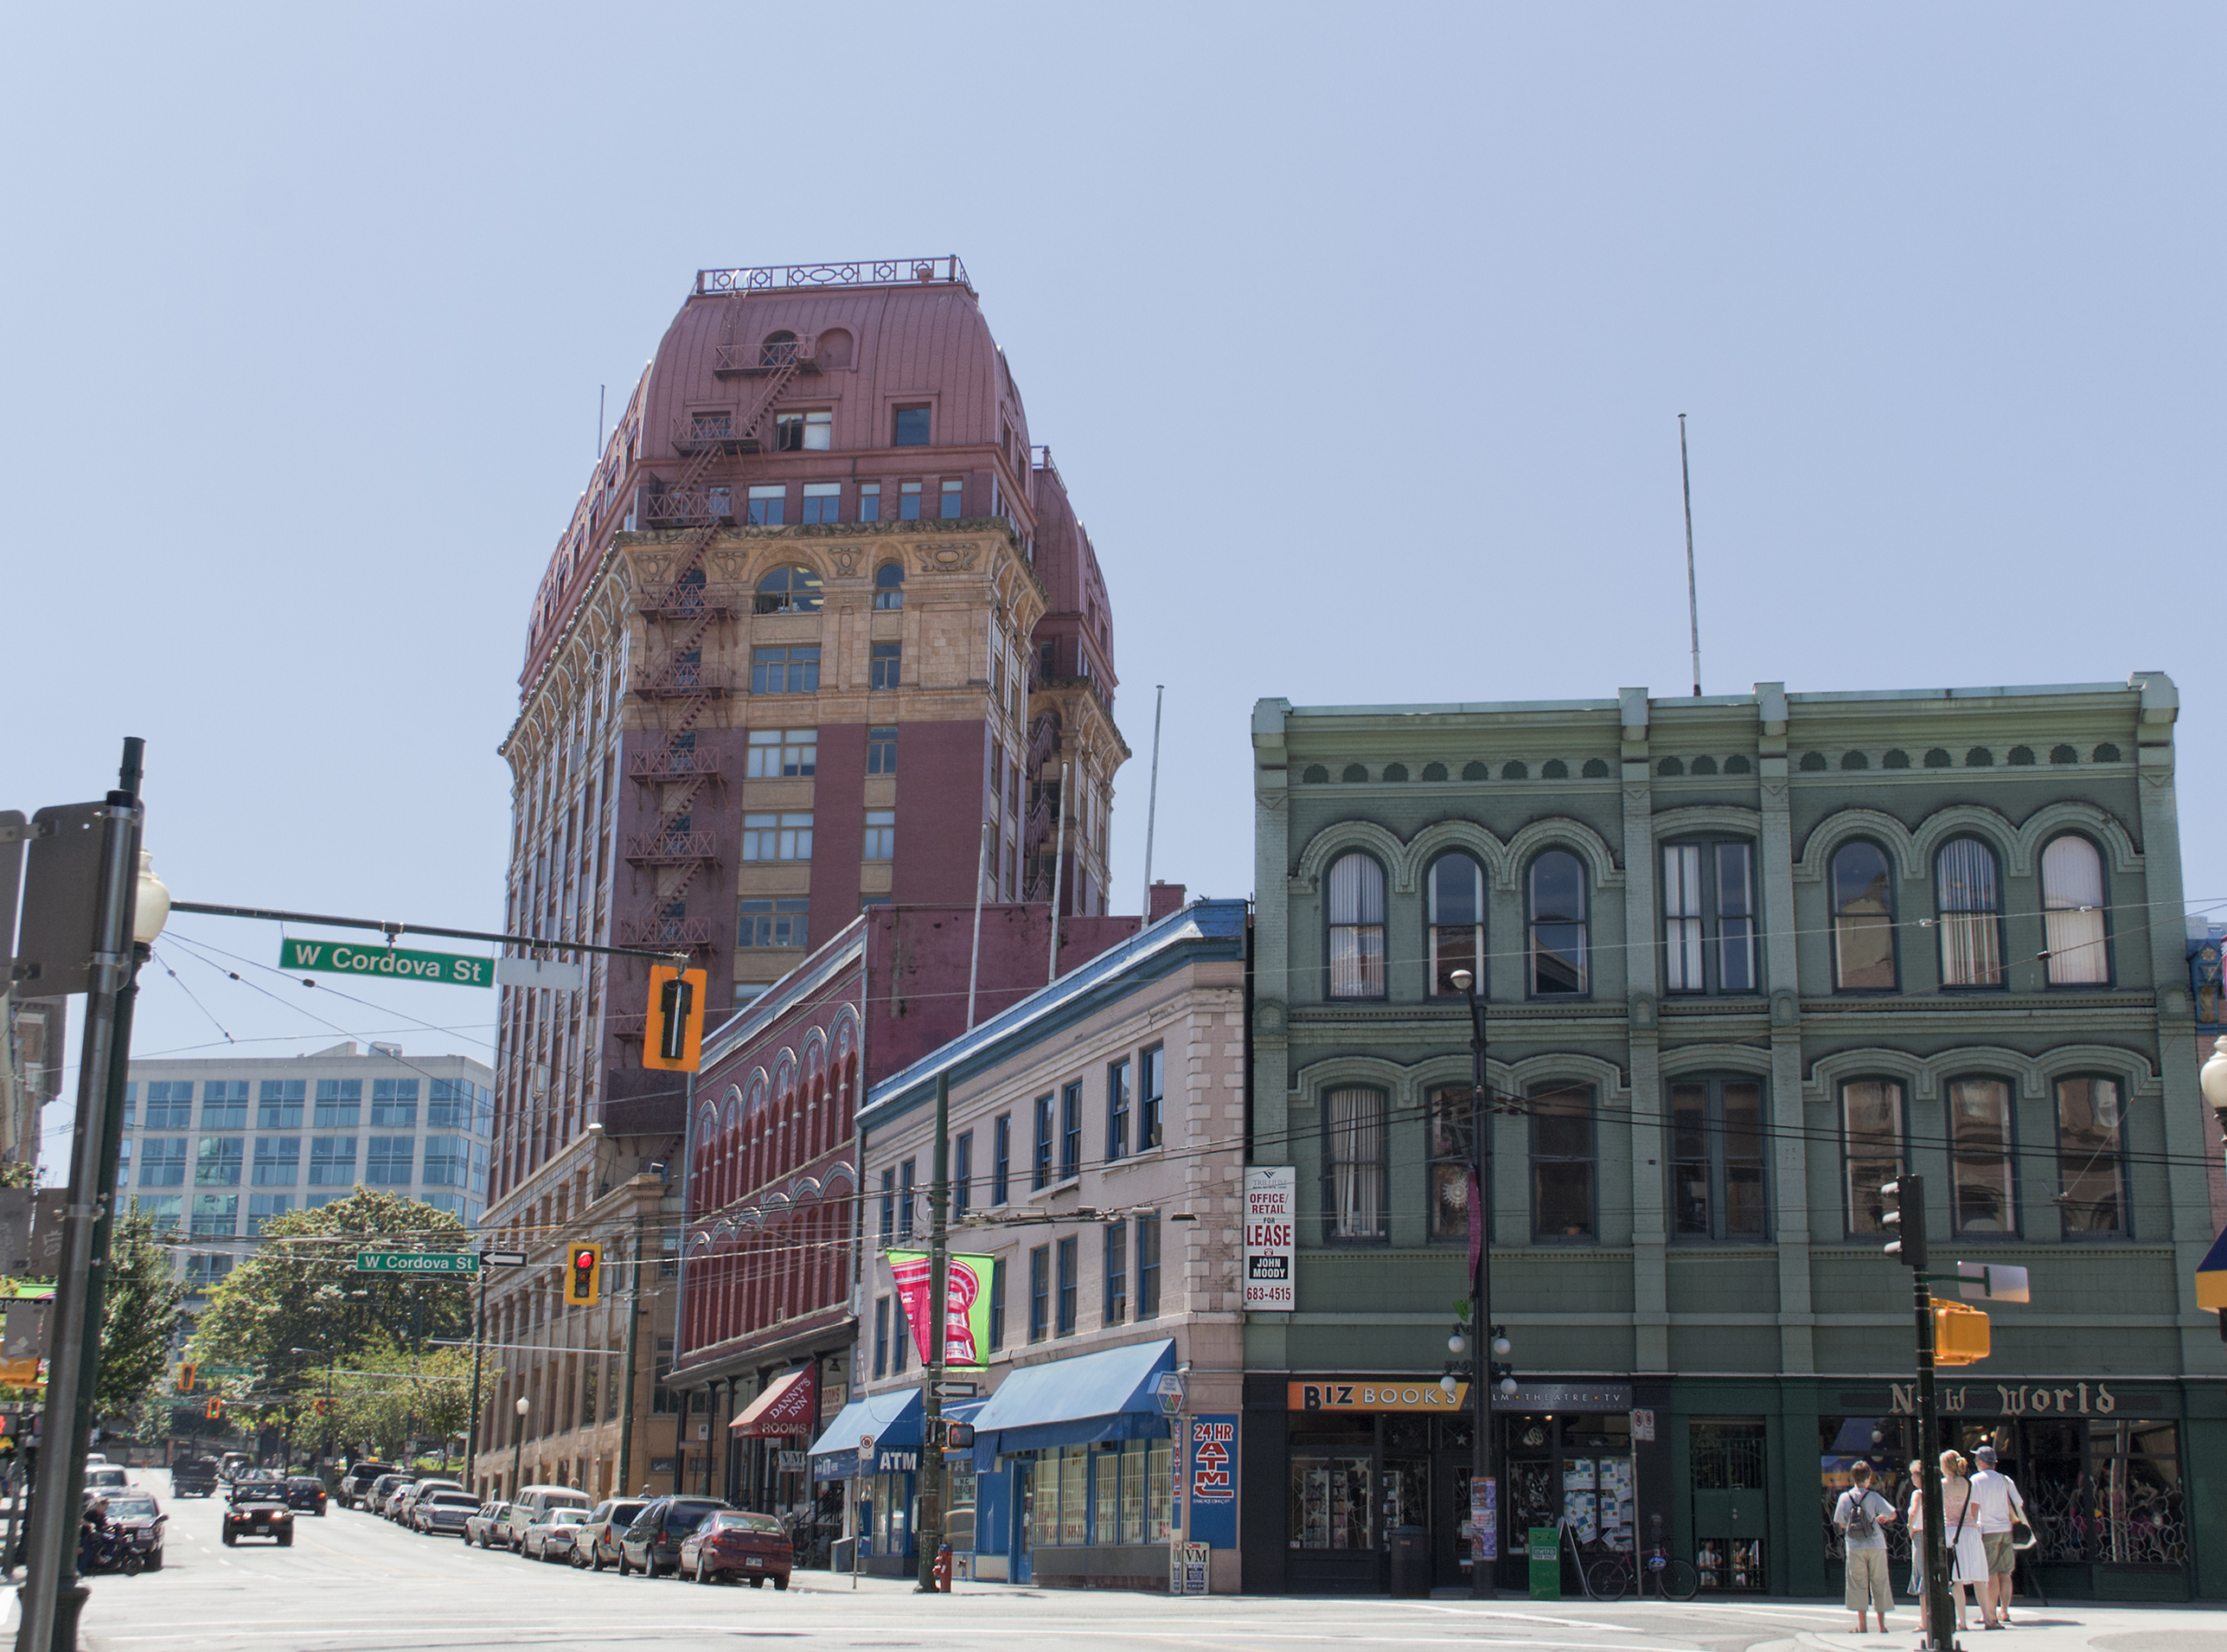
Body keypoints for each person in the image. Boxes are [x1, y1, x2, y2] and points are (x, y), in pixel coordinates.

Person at [1833, 1461, 1897, 1633]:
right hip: (1876, 1544)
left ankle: (1862, 1626)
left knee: (1858, 1583)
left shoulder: (1844, 1497)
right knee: (1880, 1581)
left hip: (1854, 1545)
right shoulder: (1874, 1496)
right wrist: (1881, 1518)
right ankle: (1882, 1626)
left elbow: (1840, 1522)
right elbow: (1892, 1513)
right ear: (1869, 1478)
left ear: (1852, 1478)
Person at [1969, 1444, 2026, 1625]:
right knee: (2005, 1573)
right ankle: (2005, 1612)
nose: (1975, 1462)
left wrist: (1970, 1526)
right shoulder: (2005, 1480)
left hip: (1987, 1530)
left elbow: (1974, 1506)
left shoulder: (1976, 1480)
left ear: (1981, 1461)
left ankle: (1990, 1613)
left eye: (1976, 1459)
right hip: (2006, 1530)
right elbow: (2019, 1502)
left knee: (1991, 1574)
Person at [1940, 1450, 1997, 1631]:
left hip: (1952, 1533)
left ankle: (1962, 1621)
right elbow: (1974, 1510)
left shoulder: (1942, 1485)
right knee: (1979, 1579)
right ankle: (1988, 1618)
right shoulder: (1970, 1484)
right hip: (1971, 1533)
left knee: (1956, 1580)